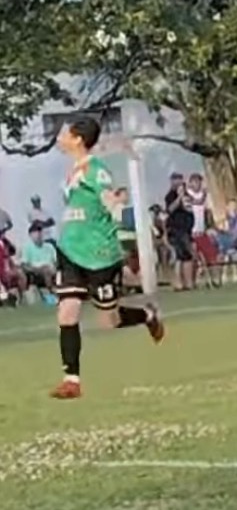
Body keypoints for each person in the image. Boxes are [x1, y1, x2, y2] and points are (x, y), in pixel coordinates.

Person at [50, 118, 165, 399]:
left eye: (65, 133)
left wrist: (114, 206)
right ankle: (72, 381)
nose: (60, 137)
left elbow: (107, 196)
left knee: (109, 320)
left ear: (77, 139)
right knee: (66, 313)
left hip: (99, 254)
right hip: (70, 250)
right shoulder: (75, 168)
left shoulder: (96, 171)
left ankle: (147, 314)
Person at [20, 221, 57, 302]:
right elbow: (24, 265)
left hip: (51, 269)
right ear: (30, 235)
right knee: (46, 270)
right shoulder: (27, 247)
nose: (39, 234)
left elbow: (56, 261)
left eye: (40, 231)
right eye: (36, 232)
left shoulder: (49, 247)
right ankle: (52, 292)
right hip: (36, 271)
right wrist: (37, 269)